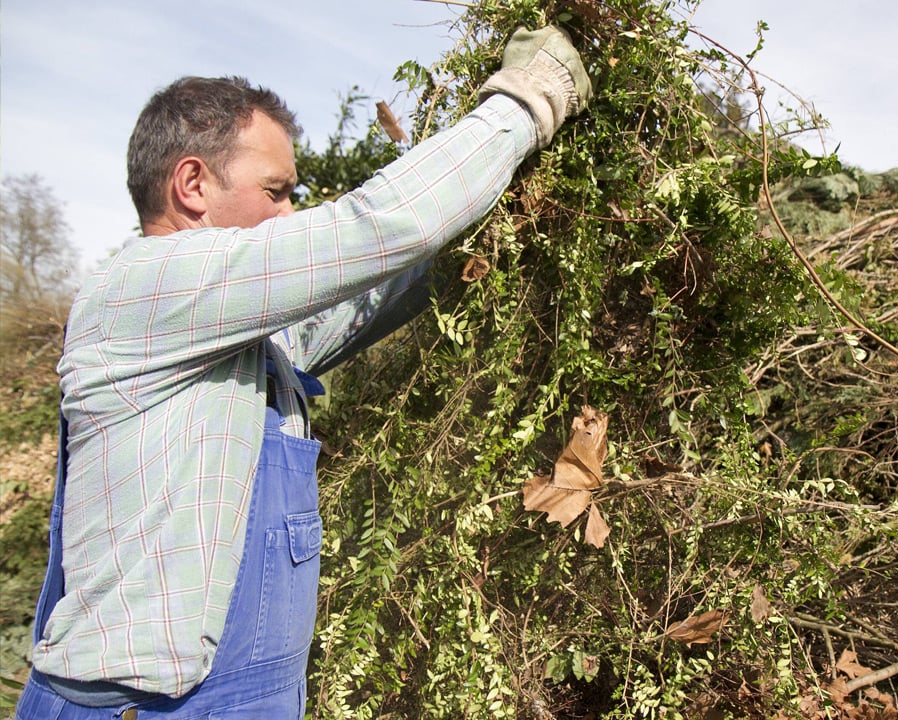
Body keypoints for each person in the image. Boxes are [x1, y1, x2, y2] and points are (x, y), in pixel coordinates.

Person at [15, 26, 591, 719]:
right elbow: (375, 228)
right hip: (143, 707)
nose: (291, 213)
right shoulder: (146, 285)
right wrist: (528, 99)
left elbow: (359, 296)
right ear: (192, 184)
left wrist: (485, 232)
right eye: (277, 191)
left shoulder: (239, 339)